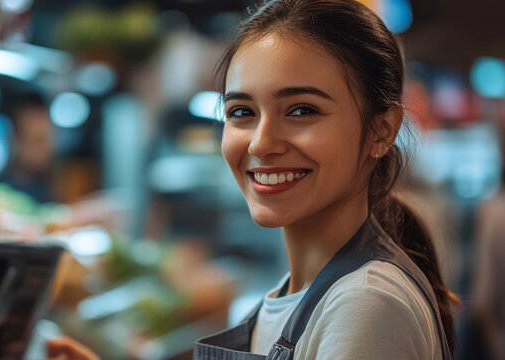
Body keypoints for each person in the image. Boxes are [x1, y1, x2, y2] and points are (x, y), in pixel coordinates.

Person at [47, 0, 457, 359]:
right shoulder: (299, 291)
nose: (262, 143)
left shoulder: (364, 304)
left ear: (382, 130)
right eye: (242, 112)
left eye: (301, 110)